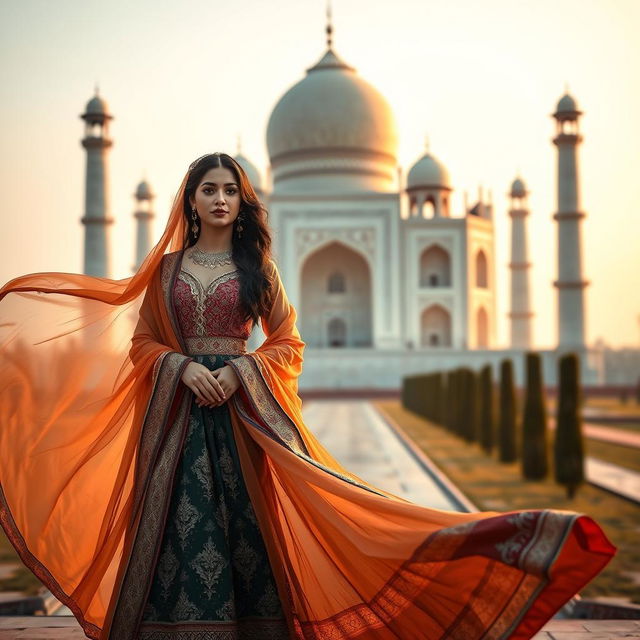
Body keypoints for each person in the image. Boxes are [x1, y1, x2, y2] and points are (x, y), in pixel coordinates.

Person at [0, 152, 616, 640]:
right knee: (177, 531)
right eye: (208, 189)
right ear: (189, 199)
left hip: (240, 415)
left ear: (244, 201)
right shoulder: (164, 272)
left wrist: (241, 373)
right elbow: (140, 345)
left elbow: (288, 340)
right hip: (181, 417)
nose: (219, 199)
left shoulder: (255, 269)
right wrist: (181, 368)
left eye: (229, 190)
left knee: (249, 528)